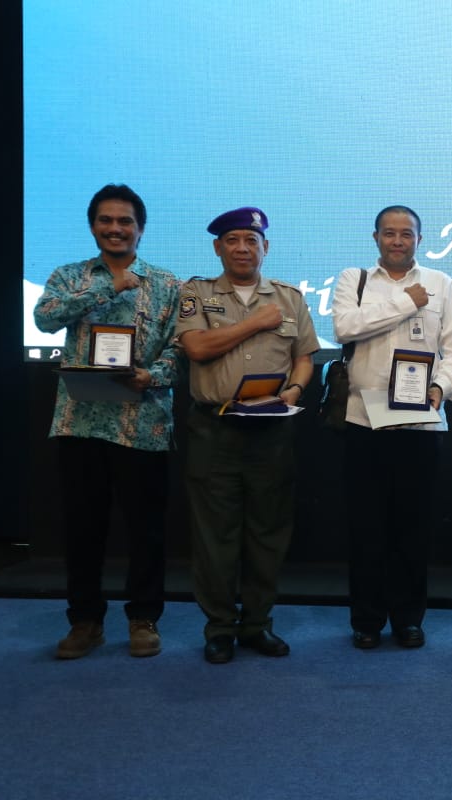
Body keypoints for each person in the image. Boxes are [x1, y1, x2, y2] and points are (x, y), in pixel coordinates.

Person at [34, 184, 183, 660]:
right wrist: (109, 287)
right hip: (81, 422)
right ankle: (85, 621)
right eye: (106, 220)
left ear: (141, 229)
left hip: (143, 423)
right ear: (93, 226)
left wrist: (151, 375)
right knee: (83, 529)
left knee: (147, 531)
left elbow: (179, 350)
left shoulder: (167, 284)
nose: (115, 229)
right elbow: (44, 319)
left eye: (125, 221)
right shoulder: (70, 276)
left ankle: (144, 618)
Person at [176, 207, 318, 664]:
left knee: (267, 534)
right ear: (218, 247)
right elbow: (197, 347)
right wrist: (255, 323)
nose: (243, 248)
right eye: (233, 240)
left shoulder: (289, 297)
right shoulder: (197, 294)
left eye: (251, 241)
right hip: (214, 430)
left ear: (265, 248)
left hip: (271, 430)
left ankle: (257, 624)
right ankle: (219, 627)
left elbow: (304, 357)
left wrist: (294, 390)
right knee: (215, 537)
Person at [331, 205, 452, 650]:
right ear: (376, 238)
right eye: (389, 233)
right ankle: (367, 620)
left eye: (406, 234)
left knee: (414, 529)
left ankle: (409, 619)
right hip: (364, 421)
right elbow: (345, 328)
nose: (397, 241)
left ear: (419, 240)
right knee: (366, 529)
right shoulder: (355, 280)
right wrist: (407, 301)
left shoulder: (441, 283)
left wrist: (441, 388)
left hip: (421, 424)